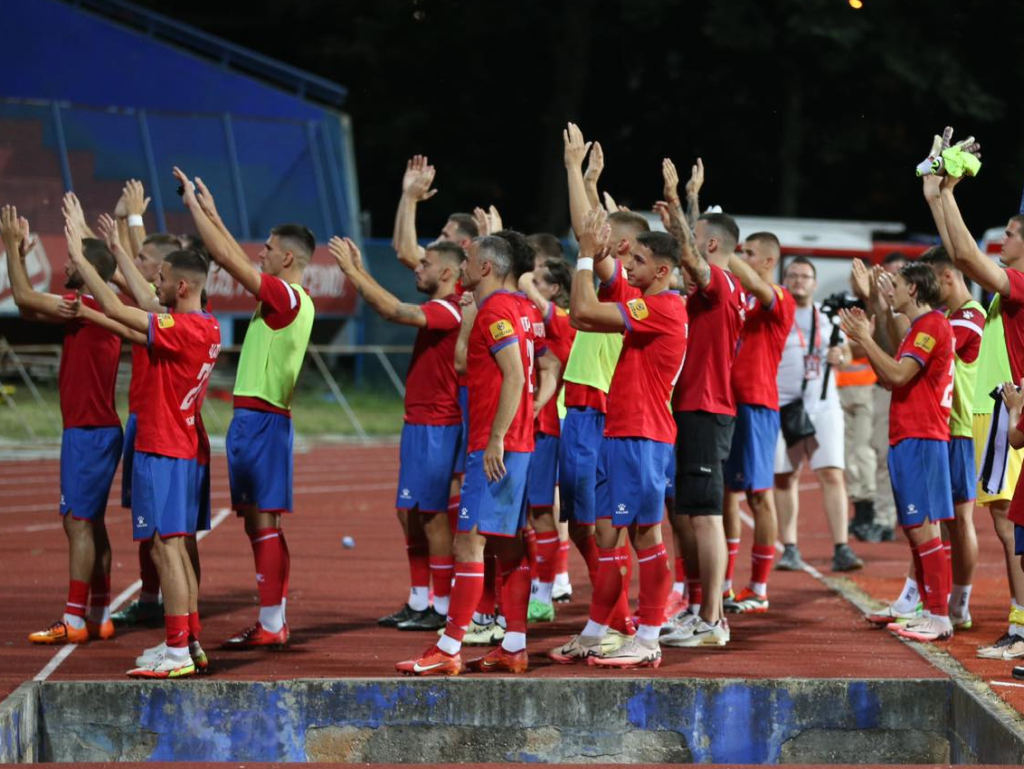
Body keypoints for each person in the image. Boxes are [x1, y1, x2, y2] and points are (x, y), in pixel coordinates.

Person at [63, 194, 221, 678]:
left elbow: (116, 304)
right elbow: (143, 305)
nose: (152, 285)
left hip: (163, 447)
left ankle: (176, 650)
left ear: (182, 285)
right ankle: (187, 643)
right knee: (174, 546)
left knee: (167, 548)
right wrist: (117, 248)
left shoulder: (181, 329)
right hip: (177, 445)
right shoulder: (204, 324)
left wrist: (81, 250)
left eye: (159, 278)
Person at [174, 167, 315, 649]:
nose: (263, 253)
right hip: (257, 420)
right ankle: (272, 619)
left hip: (264, 421)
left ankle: (273, 623)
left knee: (263, 521)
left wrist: (195, 207)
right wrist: (211, 211)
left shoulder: (288, 296)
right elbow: (235, 255)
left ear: (289, 257)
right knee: (260, 522)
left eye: (270, 248)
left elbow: (227, 260)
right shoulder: (288, 296)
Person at [548, 207, 685, 668]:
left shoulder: (664, 306)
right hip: (618, 432)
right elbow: (587, 315)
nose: (630, 265)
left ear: (662, 271)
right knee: (606, 537)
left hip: (643, 438)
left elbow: (583, 310)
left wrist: (584, 255)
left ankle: (647, 637)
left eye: (639, 260)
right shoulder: (643, 302)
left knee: (646, 536)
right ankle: (596, 631)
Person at [396, 235, 533, 676]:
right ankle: (513, 645)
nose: (465, 266)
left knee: (469, 541)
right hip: (520, 443)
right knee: (508, 546)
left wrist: (494, 438)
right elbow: (467, 364)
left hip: (496, 447)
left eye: (471, 260)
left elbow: (512, 374)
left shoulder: (496, 310)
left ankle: (449, 645)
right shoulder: (518, 308)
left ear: (488, 267)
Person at [3, 202, 123, 646]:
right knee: (91, 522)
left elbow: (22, 298)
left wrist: (11, 249)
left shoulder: (86, 304)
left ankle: (75, 619)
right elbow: (33, 312)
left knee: (77, 523)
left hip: (89, 431)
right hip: (95, 429)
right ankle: (100, 613)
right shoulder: (92, 305)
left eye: (73, 261)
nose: (66, 265)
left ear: (89, 270)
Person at [331, 237, 464, 631]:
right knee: (409, 512)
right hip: (419, 422)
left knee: (433, 515)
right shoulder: (444, 304)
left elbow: (393, 310)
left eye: (426, 263)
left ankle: (441, 605)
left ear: (446, 273)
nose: (416, 267)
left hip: (438, 424)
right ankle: (418, 599)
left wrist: (354, 273)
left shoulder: (451, 309)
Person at [930, 164, 1024, 659]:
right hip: (1000, 412)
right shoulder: (1008, 289)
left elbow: (965, 254)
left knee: (1010, 524)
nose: (1002, 240)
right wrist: (938, 195)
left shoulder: (1022, 283)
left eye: (1010, 234)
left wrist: (946, 194)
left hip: (1011, 412)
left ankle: (1020, 624)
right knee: (1007, 523)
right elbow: (960, 257)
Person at [840, 263, 955, 642]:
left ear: (916, 290)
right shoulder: (918, 328)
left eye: (898, 285)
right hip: (910, 435)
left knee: (924, 531)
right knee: (917, 531)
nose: (892, 289)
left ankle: (939, 615)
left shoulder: (932, 327)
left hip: (922, 437)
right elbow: (893, 369)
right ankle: (925, 606)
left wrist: (864, 338)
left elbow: (897, 375)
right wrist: (870, 328)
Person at [656, 175, 746, 647]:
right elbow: (692, 254)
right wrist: (685, 205)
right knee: (691, 514)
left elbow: (691, 257)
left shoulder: (723, 285)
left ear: (711, 243)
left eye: (693, 238)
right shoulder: (711, 291)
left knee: (707, 515)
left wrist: (675, 205)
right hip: (693, 409)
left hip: (706, 409)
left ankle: (713, 619)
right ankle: (699, 611)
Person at [719, 233, 796, 613]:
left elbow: (751, 281)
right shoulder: (743, 300)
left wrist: (722, 249)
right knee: (725, 494)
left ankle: (760, 587)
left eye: (748, 253)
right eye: (740, 251)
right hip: (726, 405)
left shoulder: (779, 297)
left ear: (767, 261)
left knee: (759, 495)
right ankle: (726, 584)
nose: (742, 258)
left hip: (757, 406)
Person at [772, 257, 863, 573]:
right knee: (785, 477)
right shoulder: (776, 313)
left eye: (805, 276)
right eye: (793, 275)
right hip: (783, 405)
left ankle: (841, 547)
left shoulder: (827, 317)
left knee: (832, 474)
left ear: (814, 282)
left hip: (823, 404)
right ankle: (790, 547)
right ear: (784, 279)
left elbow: (849, 354)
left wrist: (843, 355)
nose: (799, 281)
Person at [517, 258, 575, 622]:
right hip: (518, 424)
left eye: (540, 281)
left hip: (544, 426)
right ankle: (518, 589)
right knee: (516, 515)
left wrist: (520, 275)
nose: (530, 285)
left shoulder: (563, 320)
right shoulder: (531, 318)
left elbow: (554, 362)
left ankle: (543, 593)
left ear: (553, 289)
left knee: (541, 511)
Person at [392, 155, 479, 270]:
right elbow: (400, 245)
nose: (437, 240)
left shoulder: (459, 273)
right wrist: (407, 194)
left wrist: (410, 199)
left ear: (463, 244)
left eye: (445, 235)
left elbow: (406, 253)